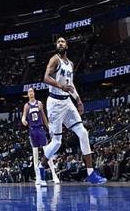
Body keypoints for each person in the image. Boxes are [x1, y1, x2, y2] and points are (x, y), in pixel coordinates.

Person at [39, 37, 106, 184]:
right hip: (55, 103)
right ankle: (41, 166)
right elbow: (46, 78)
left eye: (62, 41)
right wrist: (61, 86)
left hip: (67, 102)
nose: (60, 43)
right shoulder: (54, 59)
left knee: (83, 133)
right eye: (58, 42)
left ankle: (90, 173)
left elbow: (71, 84)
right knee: (57, 143)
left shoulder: (70, 64)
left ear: (67, 45)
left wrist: (78, 100)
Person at [21, 88, 59, 185]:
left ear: (34, 93)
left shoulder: (39, 103)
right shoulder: (27, 105)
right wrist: (23, 120)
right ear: (27, 94)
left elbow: (43, 116)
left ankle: (54, 175)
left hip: (40, 129)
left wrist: (49, 127)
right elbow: (24, 116)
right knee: (35, 155)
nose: (30, 93)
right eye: (29, 92)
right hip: (32, 130)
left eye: (31, 91)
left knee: (47, 152)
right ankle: (38, 177)